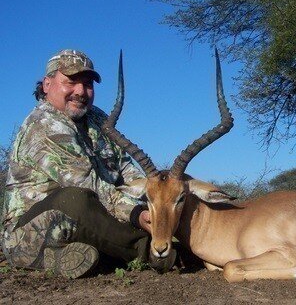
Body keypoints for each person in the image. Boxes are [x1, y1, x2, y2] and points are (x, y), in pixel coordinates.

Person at [1, 49, 173, 278]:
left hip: (88, 223)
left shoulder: (96, 117)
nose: (81, 91)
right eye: (71, 81)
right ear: (47, 84)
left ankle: (68, 257)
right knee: (76, 198)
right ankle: (150, 252)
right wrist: (137, 214)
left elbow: (124, 167)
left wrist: (156, 195)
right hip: (30, 233)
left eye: (88, 84)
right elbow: (93, 187)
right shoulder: (43, 126)